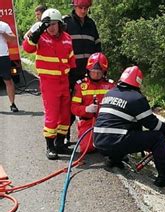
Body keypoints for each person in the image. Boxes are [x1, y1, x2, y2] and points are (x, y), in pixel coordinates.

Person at [93, 66, 165, 187]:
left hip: (99, 142)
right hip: (116, 142)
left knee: (125, 128)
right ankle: (164, 177)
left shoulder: (110, 93)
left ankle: (114, 160)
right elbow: (153, 125)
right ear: (138, 82)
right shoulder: (136, 98)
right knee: (157, 137)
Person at [22, 8, 76, 160]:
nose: (51, 27)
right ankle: (50, 147)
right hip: (49, 83)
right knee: (52, 116)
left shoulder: (67, 38)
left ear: (60, 24)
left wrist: (73, 80)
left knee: (65, 115)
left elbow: (71, 60)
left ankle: (60, 144)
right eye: (48, 24)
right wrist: (37, 32)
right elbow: (27, 48)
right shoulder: (41, 37)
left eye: (54, 24)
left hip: (64, 82)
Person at [63, 0, 101, 145]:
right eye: (80, 7)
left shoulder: (91, 24)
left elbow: (98, 47)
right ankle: (65, 134)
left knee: (89, 104)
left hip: (88, 73)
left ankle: (90, 135)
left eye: (86, 8)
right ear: (74, 6)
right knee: (69, 106)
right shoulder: (66, 23)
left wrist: (99, 69)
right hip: (71, 73)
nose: (83, 10)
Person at [71, 52, 114, 153]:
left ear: (104, 72)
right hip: (88, 122)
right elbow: (73, 108)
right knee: (87, 148)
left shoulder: (111, 86)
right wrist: (86, 109)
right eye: (93, 72)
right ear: (88, 70)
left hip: (105, 122)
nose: (96, 75)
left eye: (99, 72)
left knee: (110, 147)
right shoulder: (81, 86)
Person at [0, 20, 18, 112]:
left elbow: (12, 39)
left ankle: (12, 104)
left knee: (8, 80)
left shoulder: (4, 25)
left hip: (3, 56)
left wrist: (3, 33)